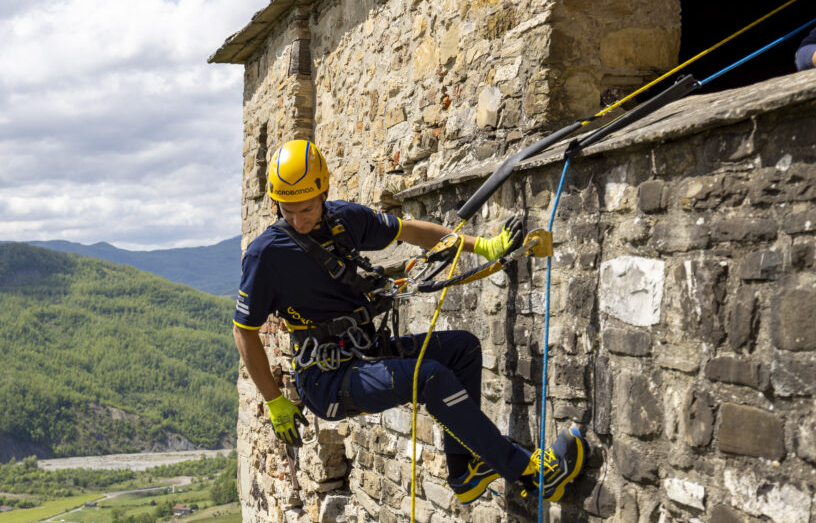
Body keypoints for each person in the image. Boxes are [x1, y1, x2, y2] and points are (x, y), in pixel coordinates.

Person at [233, 139, 588, 504]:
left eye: (305, 209)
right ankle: (532, 473)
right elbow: (244, 331)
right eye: (286, 210)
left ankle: (462, 470)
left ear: (323, 193)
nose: (297, 220)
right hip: (327, 379)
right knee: (428, 376)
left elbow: (412, 232)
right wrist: (275, 401)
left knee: (462, 349)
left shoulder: (345, 221)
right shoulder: (266, 254)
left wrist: (483, 246)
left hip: (366, 351)